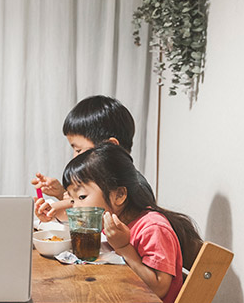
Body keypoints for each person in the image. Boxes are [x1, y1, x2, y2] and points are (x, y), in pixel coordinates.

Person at [23, 143, 202, 303]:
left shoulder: (152, 227)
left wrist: (124, 247)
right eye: (71, 198)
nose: (75, 206)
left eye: (80, 197)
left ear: (119, 196)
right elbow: (73, 212)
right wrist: (53, 211)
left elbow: (158, 289)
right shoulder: (113, 219)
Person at [32, 95, 154, 223]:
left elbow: (95, 216)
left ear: (111, 146)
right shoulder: (107, 183)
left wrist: (56, 208)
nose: (75, 157)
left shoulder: (138, 188)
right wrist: (62, 192)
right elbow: (88, 208)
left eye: (79, 150)